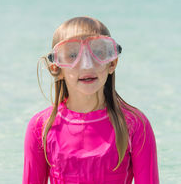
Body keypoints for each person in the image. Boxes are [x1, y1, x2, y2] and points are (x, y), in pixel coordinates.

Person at [23, 16, 159, 184]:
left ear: (112, 63)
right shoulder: (41, 127)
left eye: (98, 53)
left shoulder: (135, 125)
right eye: (73, 55)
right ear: (56, 68)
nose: (87, 65)